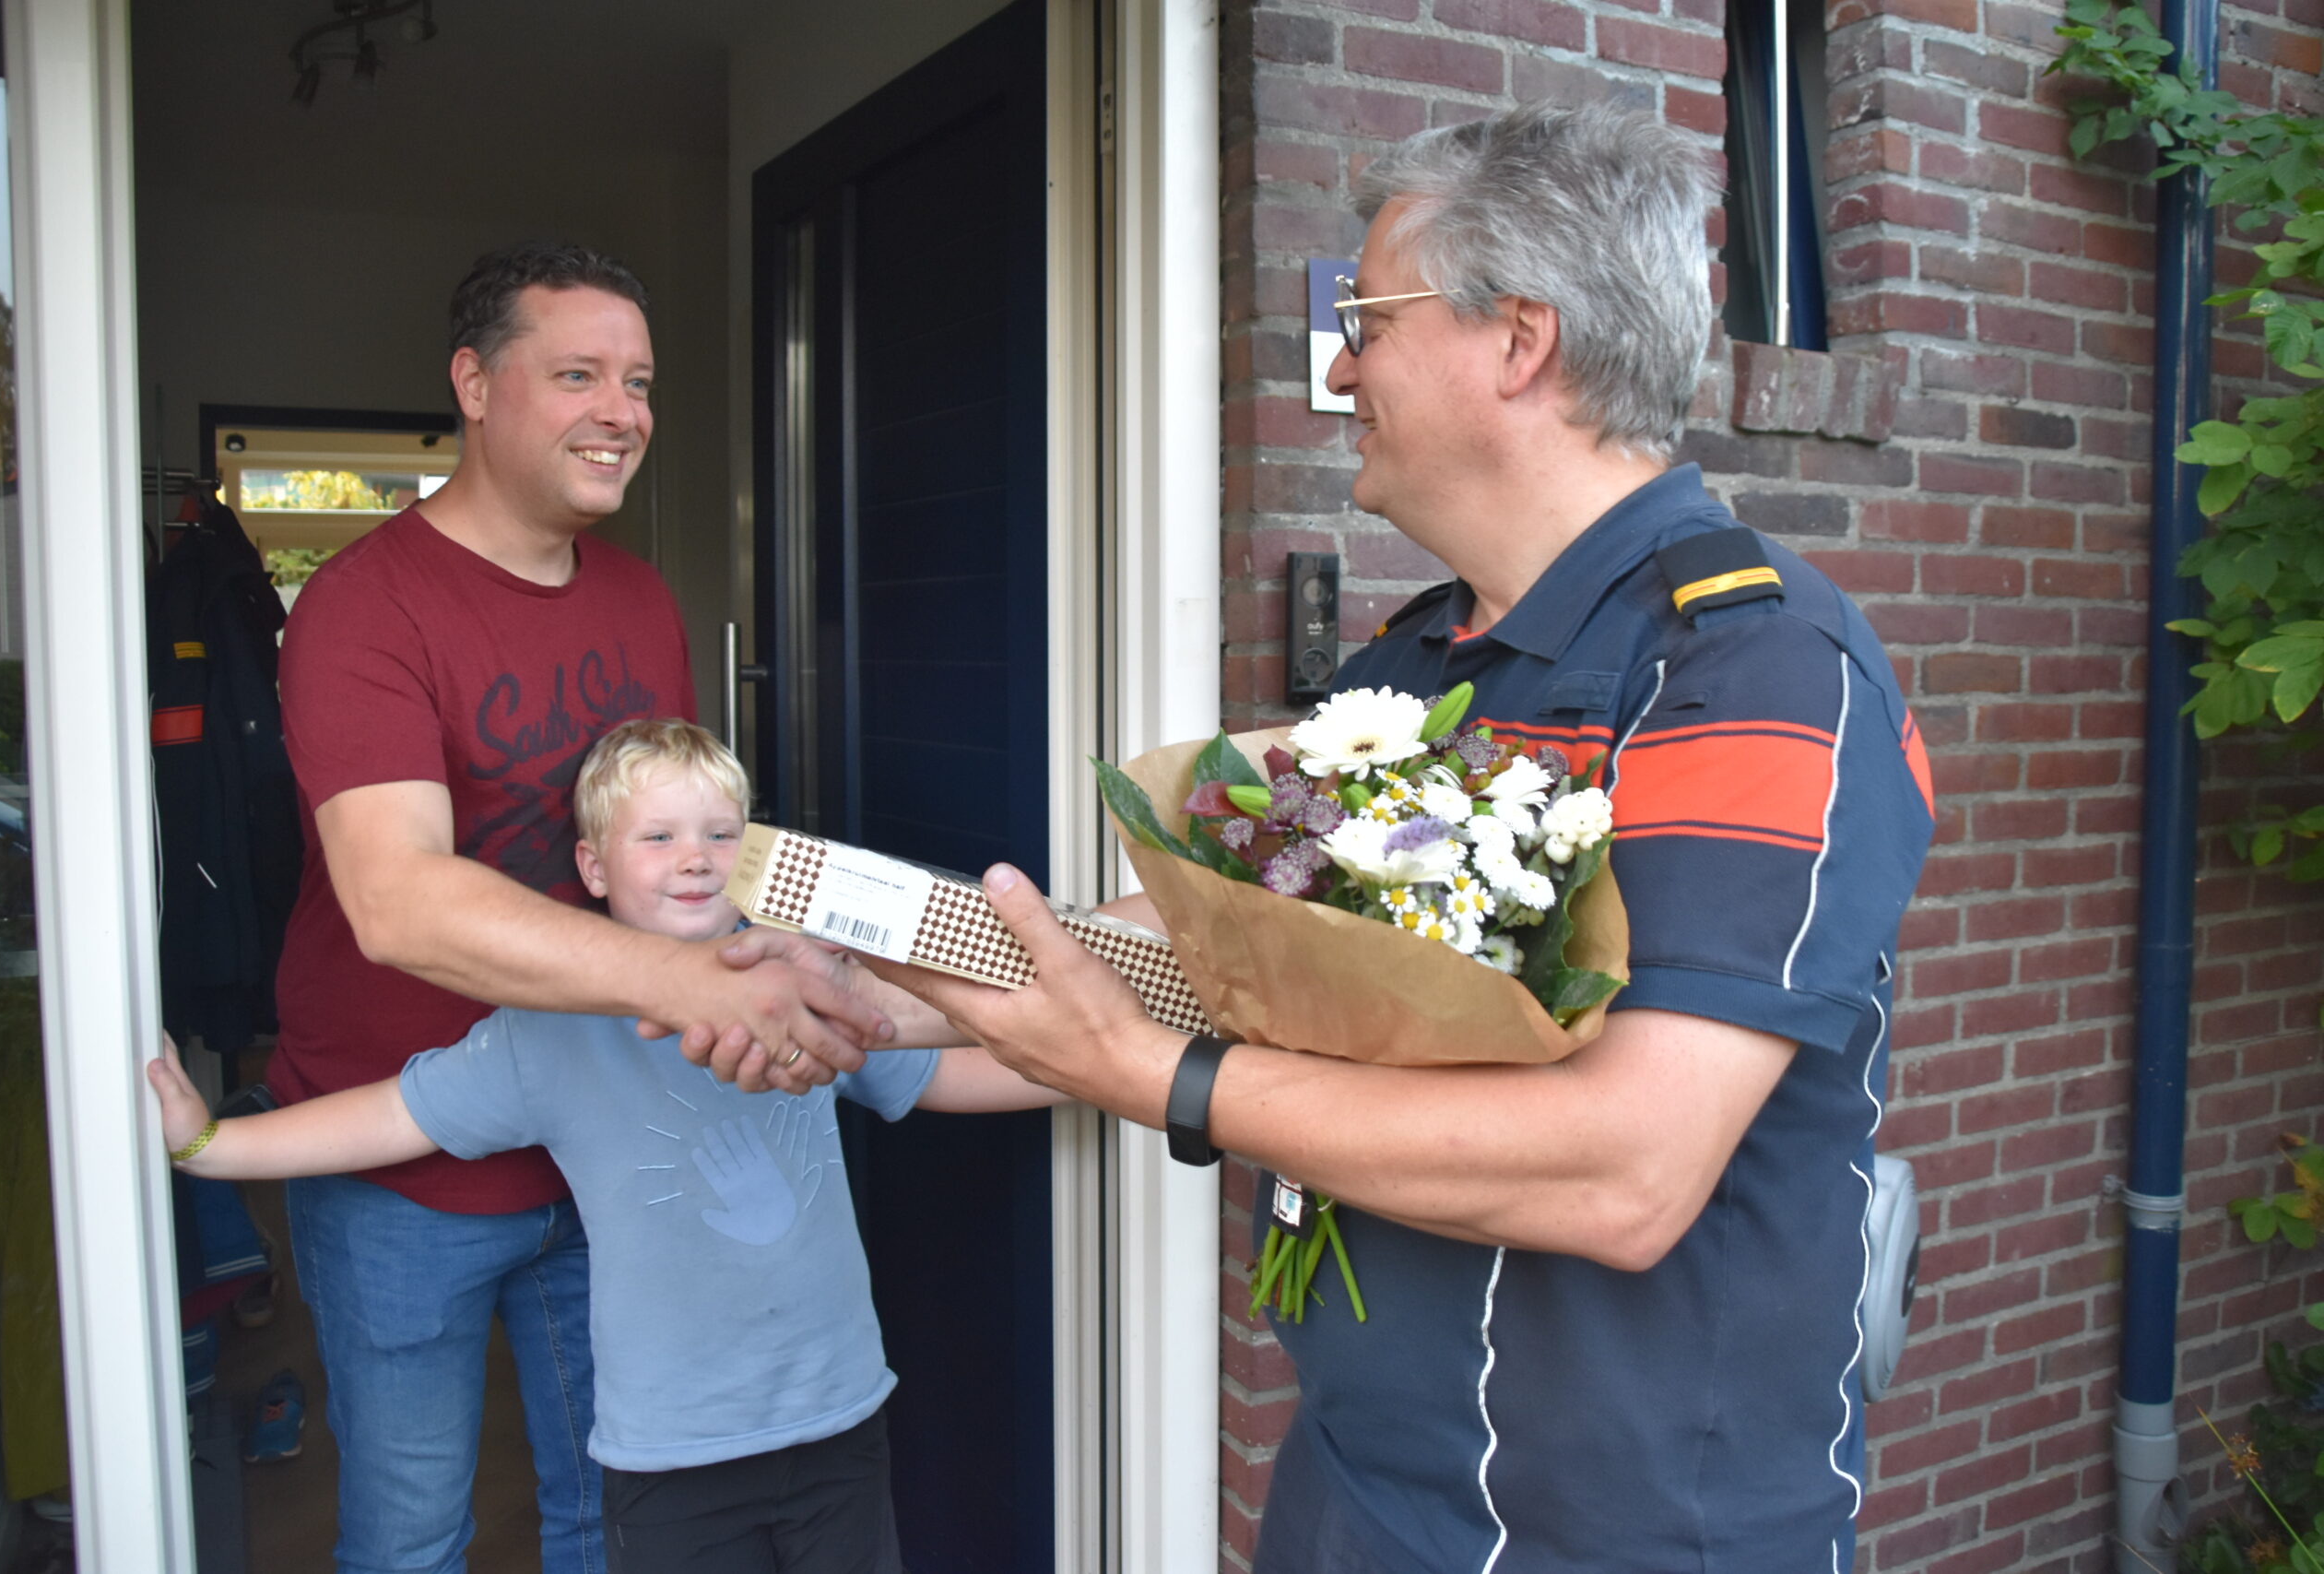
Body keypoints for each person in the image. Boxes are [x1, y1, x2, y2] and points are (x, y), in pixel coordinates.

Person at [783, 104, 1934, 1572]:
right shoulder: (1415, 667)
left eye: (1367, 320)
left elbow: (1627, 1169)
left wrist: (1163, 1080)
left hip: (1633, 1536)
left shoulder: (1753, 673)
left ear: (1519, 341)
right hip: (1355, 1494)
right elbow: (1221, 952)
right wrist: (884, 984)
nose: (1338, 367)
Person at [271, 243, 894, 1574]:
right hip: (401, 1163)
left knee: (597, 1518)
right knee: (412, 1532)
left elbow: (674, 851)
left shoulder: (638, 596)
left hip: (607, 1149)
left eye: (640, 381)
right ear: (476, 384)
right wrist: (692, 989)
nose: (623, 410)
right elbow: (397, 900)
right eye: (577, 374)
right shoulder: (361, 604)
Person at [155, 720, 1042, 1574]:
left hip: (839, 1418)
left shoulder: (797, 979)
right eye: (657, 835)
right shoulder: (550, 1031)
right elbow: (395, 1115)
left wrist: (1126, 1075)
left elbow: (943, 1072)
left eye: (721, 833)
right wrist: (209, 1144)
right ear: (592, 865)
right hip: (670, 1455)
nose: (696, 856)